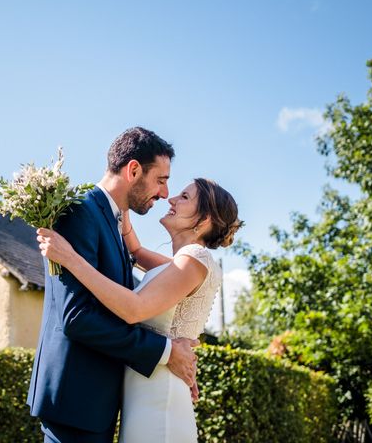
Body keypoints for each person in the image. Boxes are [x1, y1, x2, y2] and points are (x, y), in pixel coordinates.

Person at [27, 128, 200, 443]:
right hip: (76, 401)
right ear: (134, 170)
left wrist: (178, 346)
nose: (165, 193)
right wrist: (164, 352)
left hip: (97, 403)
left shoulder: (112, 220)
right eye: (161, 180)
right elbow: (77, 318)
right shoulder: (81, 213)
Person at [37, 177, 243, 442]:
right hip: (144, 389)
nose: (171, 199)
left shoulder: (194, 259)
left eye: (184, 197)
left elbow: (134, 309)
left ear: (203, 221)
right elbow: (133, 249)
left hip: (159, 395)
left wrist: (70, 259)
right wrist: (122, 192)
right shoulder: (178, 263)